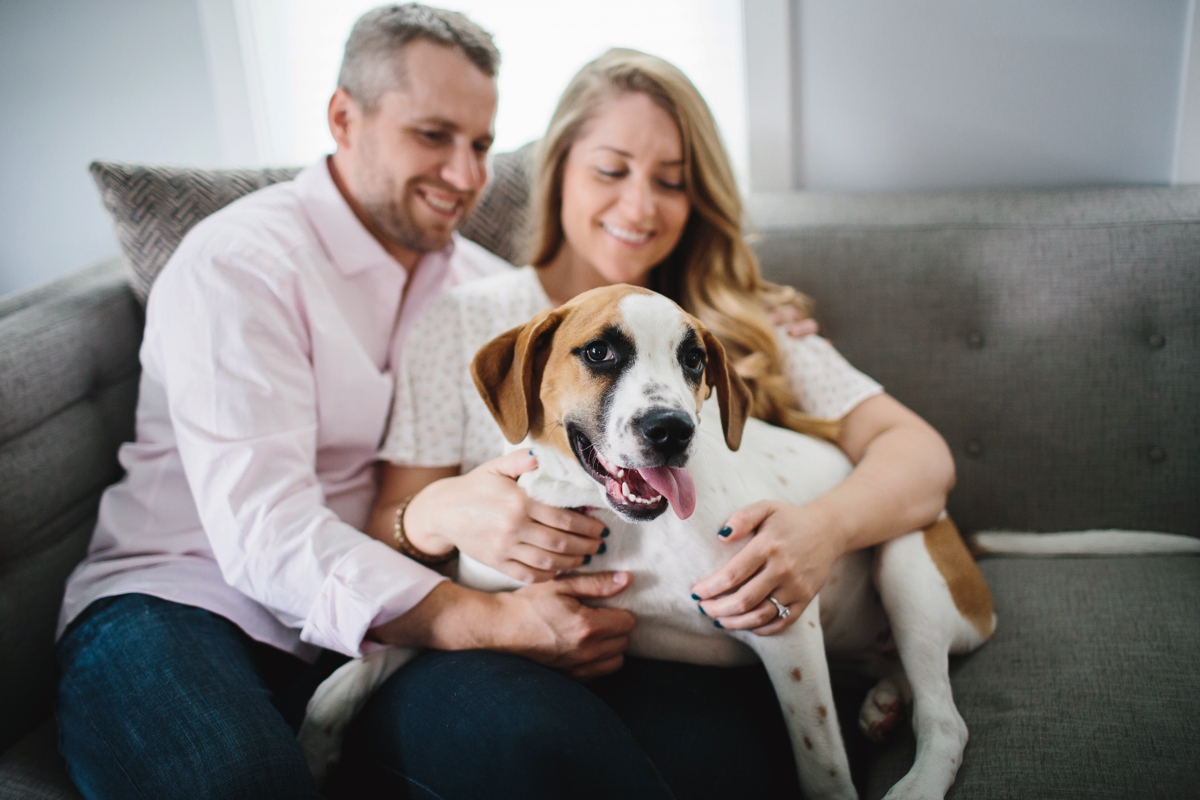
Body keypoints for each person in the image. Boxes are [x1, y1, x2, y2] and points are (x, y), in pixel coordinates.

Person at [55, 6, 676, 799]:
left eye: (480, 145)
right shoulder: (238, 264)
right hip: (182, 599)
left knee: (550, 756)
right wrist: (484, 621)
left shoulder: (482, 291)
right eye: (432, 135)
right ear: (344, 118)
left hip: (377, 633)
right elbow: (262, 533)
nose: (465, 175)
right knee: (236, 783)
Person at [358, 49, 957, 799]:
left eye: (671, 181)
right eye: (611, 170)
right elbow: (389, 520)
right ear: (559, 171)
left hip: (708, 648)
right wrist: (445, 518)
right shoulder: (465, 321)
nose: (640, 206)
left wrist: (822, 529)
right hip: (518, 640)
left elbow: (921, 457)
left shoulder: (740, 323)